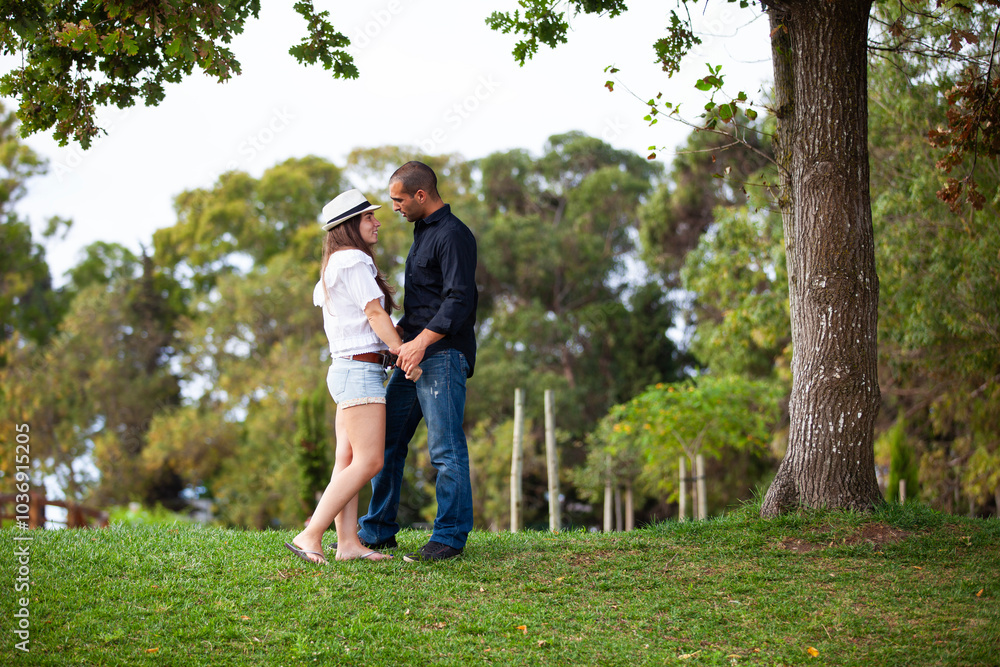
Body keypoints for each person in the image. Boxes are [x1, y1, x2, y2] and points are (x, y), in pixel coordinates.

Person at [285, 188, 420, 565]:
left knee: (347, 459)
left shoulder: (336, 264)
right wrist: (402, 352)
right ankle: (310, 534)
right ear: (349, 226)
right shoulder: (352, 261)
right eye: (368, 218)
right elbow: (375, 315)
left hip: (349, 370)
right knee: (370, 461)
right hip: (358, 373)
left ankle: (347, 544)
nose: (377, 222)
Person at [357, 161, 479, 562]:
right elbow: (423, 305)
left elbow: (459, 300)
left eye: (398, 199)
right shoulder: (422, 232)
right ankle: (376, 533)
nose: (394, 207)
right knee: (385, 443)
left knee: (445, 450)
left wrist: (420, 343)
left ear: (421, 195)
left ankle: (449, 538)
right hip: (412, 355)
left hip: (442, 357)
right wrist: (397, 342)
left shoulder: (454, 235)